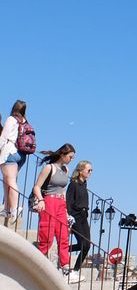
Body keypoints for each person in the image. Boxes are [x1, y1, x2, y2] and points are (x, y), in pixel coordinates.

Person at [31, 144, 76, 273]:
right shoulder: (49, 168)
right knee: (47, 233)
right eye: (70, 157)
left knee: (63, 234)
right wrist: (40, 200)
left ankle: (65, 265)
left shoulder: (65, 169)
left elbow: (63, 191)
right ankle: (40, 261)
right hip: (49, 201)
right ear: (63, 154)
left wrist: (66, 210)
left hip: (61, 203)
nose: (71, 160)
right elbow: (37, 187)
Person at [0, 100, 30, 226]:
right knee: (8, 181)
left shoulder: (11, 119)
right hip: (21, 155)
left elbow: (3, 137)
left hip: (10, 152)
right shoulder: (24, 121)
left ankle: (15, 208)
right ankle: (7, 209)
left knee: (10, 181)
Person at [66, 159, 93, 272]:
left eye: (91, 170)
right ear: (81, 170)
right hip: (75, 216)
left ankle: (75, 267)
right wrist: (69, 220)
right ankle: (74, 268)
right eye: (88, 170)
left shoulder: (84, 184)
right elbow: (69, 202)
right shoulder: (74, 184)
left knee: (87, 245)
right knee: (83, 244)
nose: (90, 172)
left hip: (84, 216)